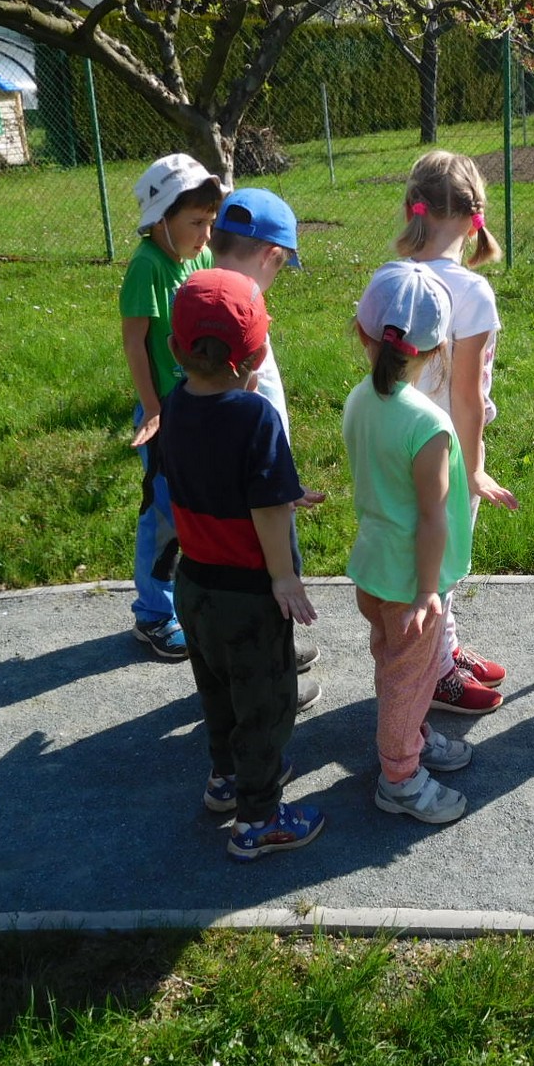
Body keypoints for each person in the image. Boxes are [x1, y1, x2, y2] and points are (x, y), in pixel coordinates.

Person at [159, 267, 325, 862]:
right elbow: (264, 509)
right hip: (249, 595)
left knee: (219, 693)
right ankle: (259, 820)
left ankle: (225, 779)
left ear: (175, 348)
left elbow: (211, 479)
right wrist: (284, 576)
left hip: (194, 585)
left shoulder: (173, 407)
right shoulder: (256, 416)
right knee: (266, 706)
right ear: (256, 356)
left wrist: (283, 489)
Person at [344, 260, 476, 824]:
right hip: (411, 585)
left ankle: (412, 736)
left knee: (397, 669)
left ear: (362, 332)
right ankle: (399, 777)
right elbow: (431, 517)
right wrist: (427, 592)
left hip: (375, 570)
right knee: (407, 677)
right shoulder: (427, 424)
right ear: (438, 348)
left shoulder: (359, 400)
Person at [396, 150, 518, 717]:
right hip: (448, 453)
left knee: (426, 562)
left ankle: (443, 649)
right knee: (440, 566)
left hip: (399, 446)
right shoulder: (472, 292)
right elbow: (467, 398)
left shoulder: (393, 278)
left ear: (412, 209)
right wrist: (474, 469)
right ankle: (436, 675)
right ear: (476, 218)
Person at [210, 187, 326, 707]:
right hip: (258, 481)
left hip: (218, 486)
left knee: (237, 586)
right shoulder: (245, 310)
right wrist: (278, 481)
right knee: (275, 579)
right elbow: (253, 410)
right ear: (272, 255)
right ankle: (271, 680)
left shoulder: (201, 298)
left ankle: (252, 662)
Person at [119, 153, 223, 660]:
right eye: (196, 223)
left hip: (198, 411)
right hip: (164, 417)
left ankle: (194, 601)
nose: (206, 235)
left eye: (210, 222)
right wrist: (152, 408)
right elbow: (135, 343)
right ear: (161, 218)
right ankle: (154, 615)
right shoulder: (147, 266)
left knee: (197, 512)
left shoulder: (198, 258)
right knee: (164, 516)